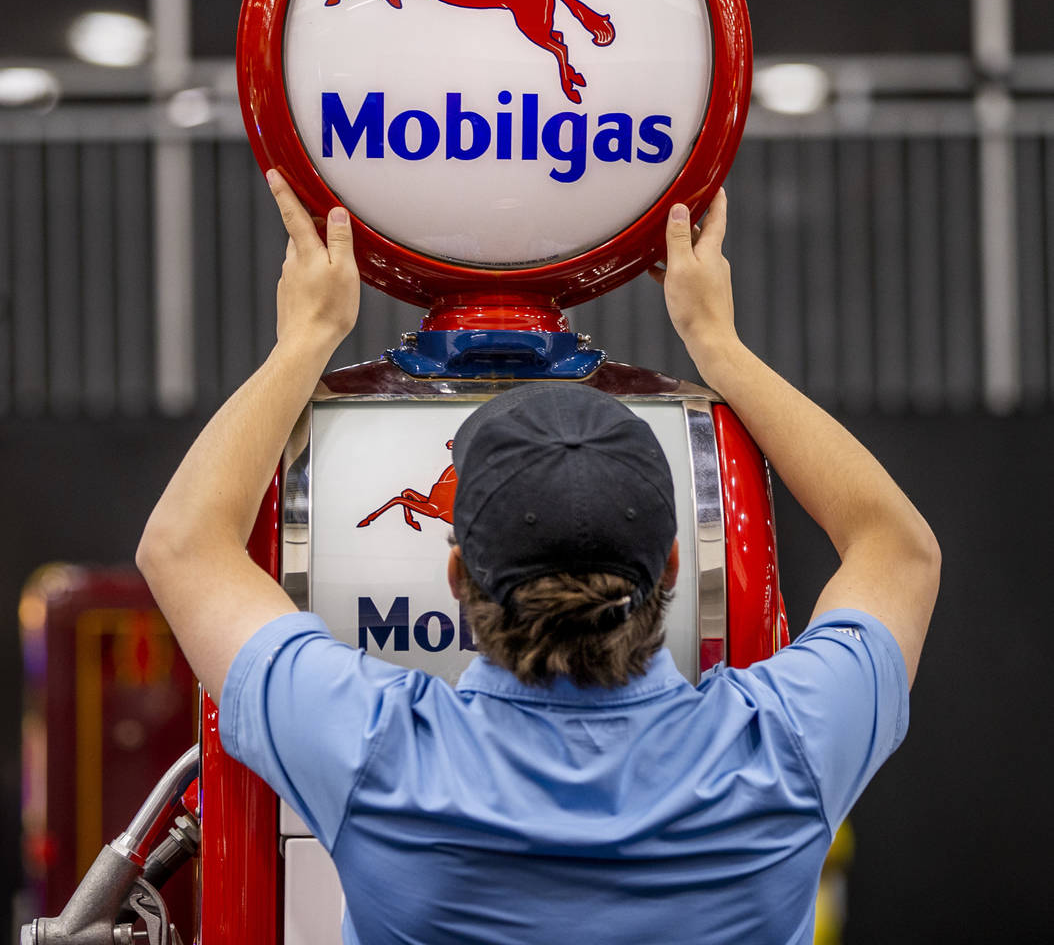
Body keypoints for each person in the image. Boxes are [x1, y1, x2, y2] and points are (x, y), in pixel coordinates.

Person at [136, 172, 940, 945]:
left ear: (456, 577)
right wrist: (719, 348)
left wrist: (305, 341)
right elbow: (897, 551)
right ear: (668, 566)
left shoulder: (377, 753)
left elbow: (184, 546)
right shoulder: (784, 747)